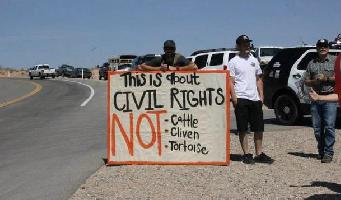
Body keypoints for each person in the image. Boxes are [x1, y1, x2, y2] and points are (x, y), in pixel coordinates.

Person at [229, 35, 274, 164]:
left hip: (254, 98)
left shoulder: (254, 60)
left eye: (248, 43)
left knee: (258, 127)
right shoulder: (233, 61)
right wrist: (234, 98)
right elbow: (231, 82)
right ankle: (246, 154)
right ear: (238, 46)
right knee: (243, 128)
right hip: (241, 97)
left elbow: (258, 79)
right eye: (244, 44)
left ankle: (259, 154)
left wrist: (262, 96)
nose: (247, 46)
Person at [304, 39, 337, 163]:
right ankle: (321, 150)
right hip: (315, 98)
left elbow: (338, 78)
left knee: (329, 126)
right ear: (317, 48)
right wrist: (315, 81)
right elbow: (306, 81)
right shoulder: (311, 63)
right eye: (320, 46)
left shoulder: (335, 61)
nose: (322, 48)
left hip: (330, 97)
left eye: (325, 46)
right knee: (317, 128)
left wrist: (326, 78)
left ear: (328, 48)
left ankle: (328, 153)